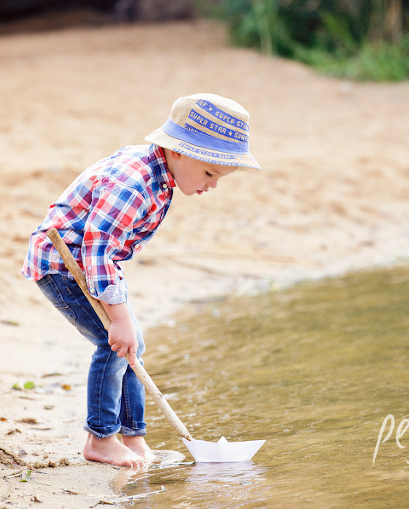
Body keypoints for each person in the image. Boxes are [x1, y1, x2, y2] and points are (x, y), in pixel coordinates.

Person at [21, 93, 260, 466]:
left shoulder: (159, 170)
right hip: (65, 265)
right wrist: (118, 318)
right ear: (178, 152)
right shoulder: (134, 183)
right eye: (210, 173)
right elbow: (98, 250)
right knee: (113, 344)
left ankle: (133, 438)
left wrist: (123, 321)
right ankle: (101, 438)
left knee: (133, 344)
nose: (213, 185)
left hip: (95, 267)